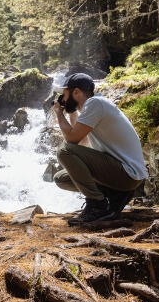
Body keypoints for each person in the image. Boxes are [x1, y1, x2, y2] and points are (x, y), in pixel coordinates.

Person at [51, 73, 148, 224]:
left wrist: (59, 113)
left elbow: (71, 140)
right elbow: (80, 142)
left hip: (127, 173)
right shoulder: (93, 106)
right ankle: (113, 196)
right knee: (61, 179)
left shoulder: (96, 103)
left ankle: (98, 205)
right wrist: (71, 111)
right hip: (122, 173)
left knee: (65, 151)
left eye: (64, 94)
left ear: (75, 92)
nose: (62, 99)